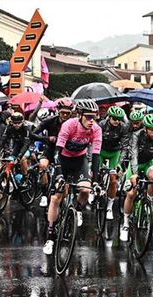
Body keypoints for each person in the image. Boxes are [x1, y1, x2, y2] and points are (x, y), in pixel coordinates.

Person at [43, 99, 102, 255]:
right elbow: (56, 151)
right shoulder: (69, 125)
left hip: (79, 161)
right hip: (62, 159)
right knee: (56, 197)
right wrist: (59, 174)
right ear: (80, 115)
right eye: (88, 117)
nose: (92, 121)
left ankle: (77, 210)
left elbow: (96, 156)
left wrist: (95, 182)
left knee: (85, 190)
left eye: (94, 117)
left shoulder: (96, 129)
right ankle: (50, 236)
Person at [120, 114, 153, 242]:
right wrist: (135, 173)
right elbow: (134, 155)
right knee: (131, 193)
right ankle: (125, 223)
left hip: (149, 162)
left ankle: (148, 202)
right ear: (145, 128)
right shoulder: (137, 135)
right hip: (136, 163)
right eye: (151, 130)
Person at [33, 97, 74, 207]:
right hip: (50, 149)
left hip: (66, 152)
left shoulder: (74, 123)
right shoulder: (50, 121)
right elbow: (34, 134)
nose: (65, 115)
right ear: (58, 111)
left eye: (67, 113)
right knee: (42, 165)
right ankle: (44, 194)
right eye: (62, 113)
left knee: (65, 179)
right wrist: (47, 139)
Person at [98, 106, 130, 220]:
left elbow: (124, 147)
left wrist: (119, 164)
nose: (117, 121)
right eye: (114, 119)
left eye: (119, 119)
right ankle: (95, 186)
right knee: (95, 170)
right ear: (109, 117)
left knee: (113, 179)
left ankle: (109, 207)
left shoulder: (123, 127)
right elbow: (94, 142)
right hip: (101, 150)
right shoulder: (101, 125)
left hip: (114, 152)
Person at [0, 112, 34, 182]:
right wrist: (1, 150)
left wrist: (19, 157)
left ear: (22, 122)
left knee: (22, 158)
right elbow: (3, 140)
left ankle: (25, 178)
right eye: (15, 123)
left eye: (19, 123)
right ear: (12, 122)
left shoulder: (27, 128)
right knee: (8, 161)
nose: (17, 125)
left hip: (28, 147)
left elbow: (26, 144)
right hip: (17, 148)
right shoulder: (9, 127)